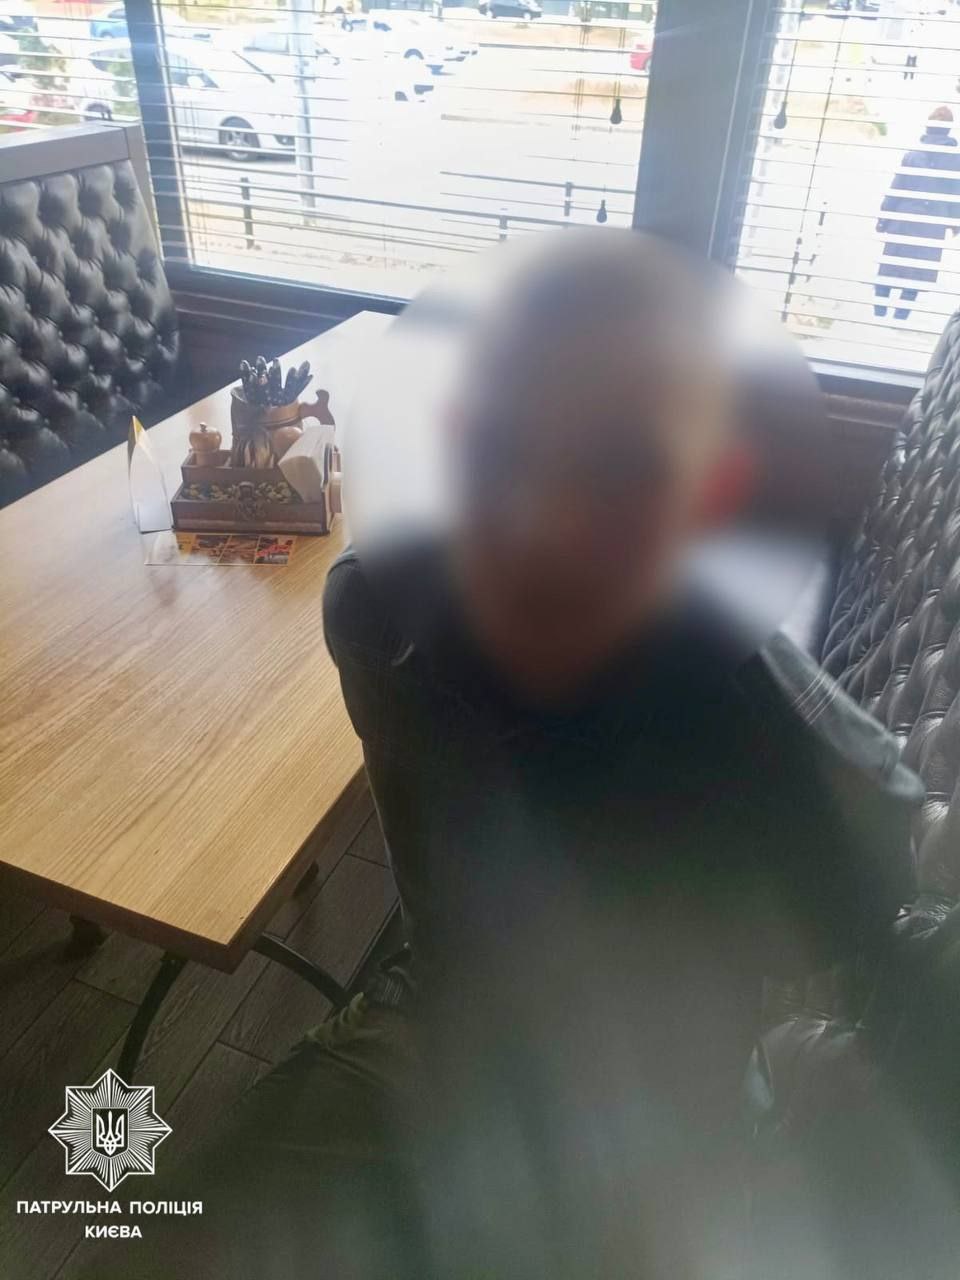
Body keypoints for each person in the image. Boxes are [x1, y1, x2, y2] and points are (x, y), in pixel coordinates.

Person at [79, 232, 921, 1280]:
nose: (549, 511)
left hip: (662, 1107)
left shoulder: (745, 698)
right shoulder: (382, 610)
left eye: (611, 469)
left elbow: (897, 917)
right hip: (448, 1025)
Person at [874, 106, 960, 322]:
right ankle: (900, 318)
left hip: (905, 219)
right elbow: (956, 193)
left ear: (928, 127)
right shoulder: (956, 161)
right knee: (917, 273)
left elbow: (897, 188)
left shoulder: (913, 156)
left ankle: (878, 315)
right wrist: (955, 222)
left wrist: (884, 218)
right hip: (932, 223)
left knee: (890, 268)